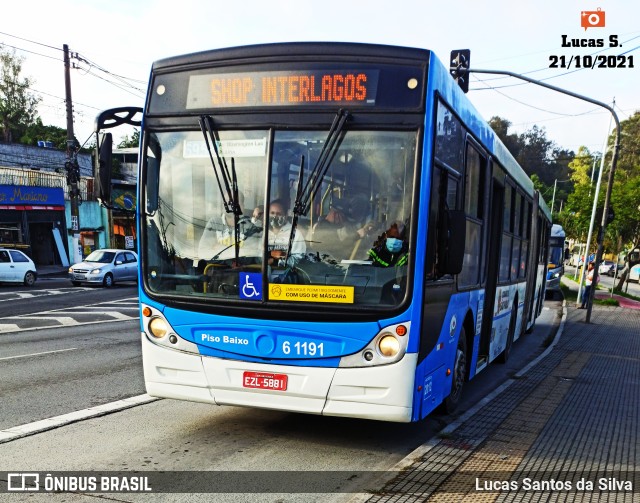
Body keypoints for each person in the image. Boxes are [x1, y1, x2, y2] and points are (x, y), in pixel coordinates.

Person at [267, 199, 306, 266]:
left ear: (285, 216)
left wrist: (276, 262)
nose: (275, 216)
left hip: (285, 274)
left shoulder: (295, 234)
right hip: (262, 274)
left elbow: (299, 259)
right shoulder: (263, 232)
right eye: (272, 213)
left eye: (279, 214)